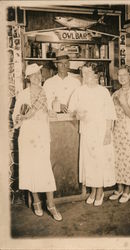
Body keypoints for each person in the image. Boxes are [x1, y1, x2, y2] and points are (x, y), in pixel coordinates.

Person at [12, 63, 62, 221]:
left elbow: (48, 112)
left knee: (44, 168)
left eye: (39, 74)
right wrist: (20, 117)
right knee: (30, 168)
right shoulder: (23, 95)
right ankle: (36, 202)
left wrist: (52, 112)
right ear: (28, 78)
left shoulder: (45, 92)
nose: (37, 77)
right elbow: (16, 117)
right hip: (27, 136)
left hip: (41, 136)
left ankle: (51, 205)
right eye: (33, 75)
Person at [68, 63, 117, 206]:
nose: (86, 76)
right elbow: (72, 111)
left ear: (95, 74)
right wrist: (78, 114)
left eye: (88, 72)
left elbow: (110, 114)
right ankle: (93, 191)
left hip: (101, 131)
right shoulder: (79, 91)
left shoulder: (103, 91)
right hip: (87, 131)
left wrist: (108, 132)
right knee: (89, 162)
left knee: (99, 161)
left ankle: (99, 191)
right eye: (84, 73)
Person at [109, 65, 130, 203]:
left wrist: (123, 103)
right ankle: (120, 188)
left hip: (129, 132)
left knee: (129, 161)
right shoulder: (115, 94)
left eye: (125, 75)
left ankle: (128, 190)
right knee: (118, 161)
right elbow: (111, 115)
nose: (121, 77)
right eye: (120, 75)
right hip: (117, 132)